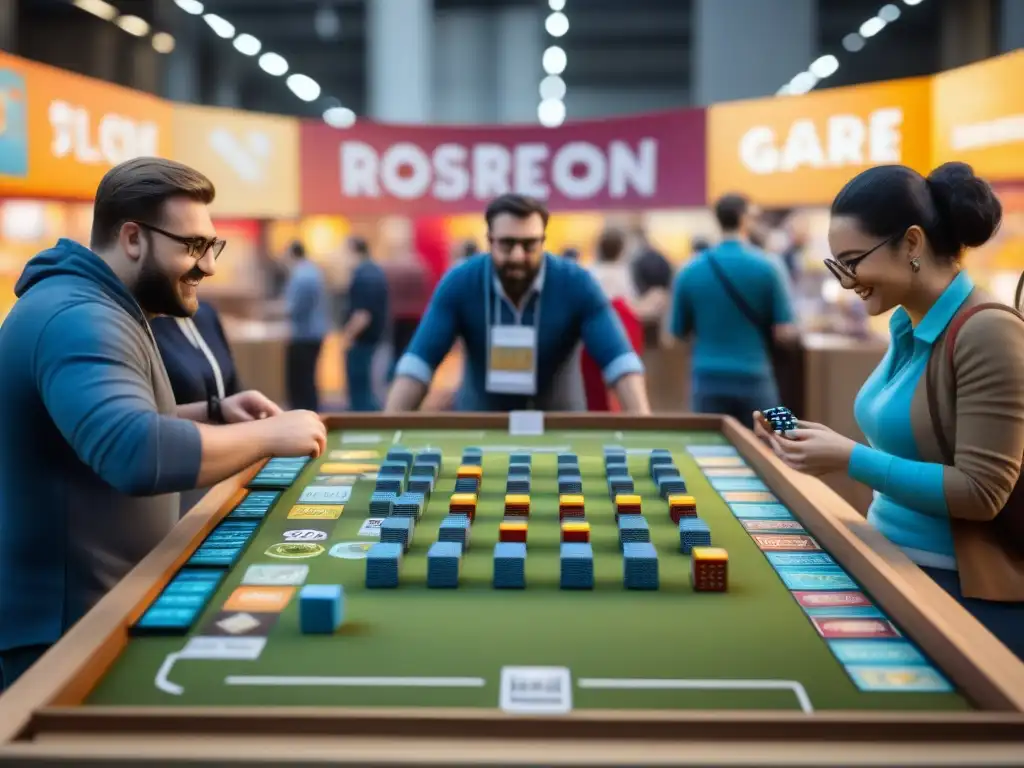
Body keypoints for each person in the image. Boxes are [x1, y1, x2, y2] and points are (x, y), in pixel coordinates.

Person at [0, 158, 327, 691]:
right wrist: (269, 435)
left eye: (210, 246)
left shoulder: (102, 303)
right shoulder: (80, 316)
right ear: (133, 238)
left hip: (91, 614)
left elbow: (93, 430)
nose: (209, 266)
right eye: (193, 246)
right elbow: (133, 450)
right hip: (59, 632)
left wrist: (217, 413)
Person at [754, 162, 1024, 660]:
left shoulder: (988, 331)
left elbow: (984, 492)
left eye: (853, 261)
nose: (846, 281)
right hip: (887, 560)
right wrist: (824, 443)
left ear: (913, 244)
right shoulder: (905, 323)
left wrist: (849, 458)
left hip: (954, 593)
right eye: (839, 265)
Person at [385, 194, 649, 413]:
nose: (518, 255)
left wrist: (642, 426)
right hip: (480, 427)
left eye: (529, 245)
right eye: (507, 244)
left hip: (560, 427)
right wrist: (389, 430)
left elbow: (620, 363)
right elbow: (418, 365)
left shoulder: (577, 283)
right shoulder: (460, 282)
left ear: (543, 241)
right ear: (489, 241)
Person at [670, 193, 798, 426]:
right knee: (778, 439)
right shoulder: (769, 266)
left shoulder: (689, 270)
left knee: (707, 450)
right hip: (756, 374)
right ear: (744, 219)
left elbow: (677, 332)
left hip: (706, 377)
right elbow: (785, 331)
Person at [151, 300, 249, 515]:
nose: (207, 268)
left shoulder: (205, 313)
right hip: (178, 483)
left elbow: (232, 388)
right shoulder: (140, 321)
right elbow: (145, 422)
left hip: (228, 470)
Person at [582, 229, 644, 411]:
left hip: (591, 339)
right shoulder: (623, 274)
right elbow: (632, 305)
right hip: (624, 332)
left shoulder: (590, 272)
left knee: (594, 382)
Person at [341, 236, 389, 411]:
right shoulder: (375, 270)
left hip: (363, 343)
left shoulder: (363, 275)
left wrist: (347, 336)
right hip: (375, 340)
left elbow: (363, 314)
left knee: (362, 393)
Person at [283, 240, 329, 411]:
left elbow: (294, 307)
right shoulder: (313, 271)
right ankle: (311, 411)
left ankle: (304, 413)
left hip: (303, 334)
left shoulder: (301, 275)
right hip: (314, 332)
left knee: (300, 380)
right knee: (309, 378)